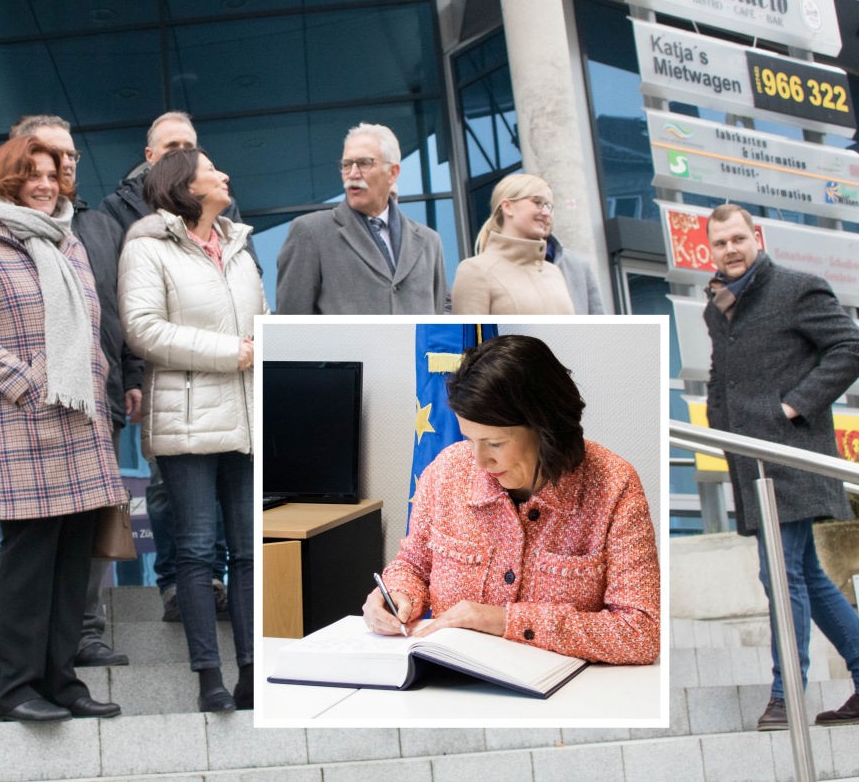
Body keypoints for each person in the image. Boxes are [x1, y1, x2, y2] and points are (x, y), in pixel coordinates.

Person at [0, 136, 126, 723]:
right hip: (20, 418)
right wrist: (25, 380)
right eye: (33, 175)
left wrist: (95, 378)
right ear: (5, 180)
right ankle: (13, 688)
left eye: (53, 175)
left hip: (79, 420)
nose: (47, 184)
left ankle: (61, 680)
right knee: (30, 558)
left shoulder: (67, 243)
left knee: (73, 558)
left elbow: (91, 330)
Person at [365, 335, 660, 667]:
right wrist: (396, 595)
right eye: (469, 439)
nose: (478, 461)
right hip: (454, 682)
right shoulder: (446, 472)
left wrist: (506, 620)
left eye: (494, 443)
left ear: (545, 428)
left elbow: (642, 633)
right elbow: (413, 567)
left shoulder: (614, 485)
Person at [118, 147, 267, 712]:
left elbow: (262, 324)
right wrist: (234, 352)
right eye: (212, 169)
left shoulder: (239, 248)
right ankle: (209, 678)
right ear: (185, 185)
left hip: (244, 418)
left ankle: (251, 673)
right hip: (185, 422)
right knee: (198, 550)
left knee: (249, 552)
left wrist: (259, 350)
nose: (225, 173)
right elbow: (143, 331)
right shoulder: (146, 249)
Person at [703, 203, 859, 731]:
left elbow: (849, 346)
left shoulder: (797, 287)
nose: (730, 249)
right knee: (807, 576)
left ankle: (785, 693)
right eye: (720, 242)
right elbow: (721, 377)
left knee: (781, 573)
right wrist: (720, 428)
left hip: (790, 458)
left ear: (756, 236)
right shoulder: (718, 305)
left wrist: (793, 405)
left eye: (737, 239)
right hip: (750, 465)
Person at [10, 113, 142, 668]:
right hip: (34, 401)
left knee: (92, 519)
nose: (64, 165)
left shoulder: (99, 225)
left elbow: (119, 305)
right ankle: (35, 640)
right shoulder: (0, 225)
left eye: (70, 156)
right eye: (50, 155)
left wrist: (130, 373)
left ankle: (86, 628)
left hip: (100, 394)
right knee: (40, 529)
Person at [100, 110, 232, 623]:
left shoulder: (224, 211)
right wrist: (131, 373)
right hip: (160, 371)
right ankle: (178, 583)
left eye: (190, 146)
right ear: (150, 156)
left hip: (224, 373)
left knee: (222, 485)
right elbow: (124, 302)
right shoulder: (117, 212)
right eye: (171, 146)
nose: (183, 155)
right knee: (164, 485)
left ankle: (216, 581)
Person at [276, 122, 447, 314]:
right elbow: (291, 320)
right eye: (347, 165)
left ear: (393, 172)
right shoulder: (311, 232)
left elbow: (437, 315)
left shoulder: (429, 241)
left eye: (364, 163)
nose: (353, 174)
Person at [451, 173, 574, 315]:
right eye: (538, 202)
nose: (547, 213)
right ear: (507, 207)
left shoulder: (554, 272)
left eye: (549, 206)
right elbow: (472, 335)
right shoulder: (476, 270)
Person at [544, 219, 605, 315]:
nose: (545, 212)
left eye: (548, 205)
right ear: (510, 208)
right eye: (537, 203)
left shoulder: (580, 265)